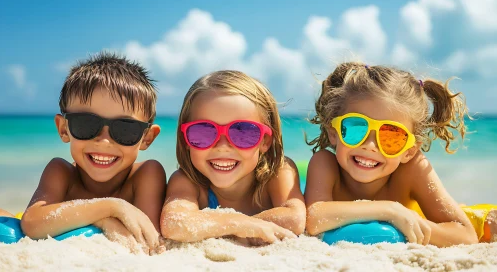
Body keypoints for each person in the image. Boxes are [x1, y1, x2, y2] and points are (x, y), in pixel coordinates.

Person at [305, 62, 495, 247]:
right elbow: (314, 217)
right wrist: (390, 210)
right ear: (334, 132)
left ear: (409, 151)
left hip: (419, 216)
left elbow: (466, 234)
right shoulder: (325, 163)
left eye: (391, 136)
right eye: (356, 128)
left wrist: (408, 222)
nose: (370, 146)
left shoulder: (412, 168)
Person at [19, 52, 166, 254]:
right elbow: (32, 222)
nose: (104, 141)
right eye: (86, 124)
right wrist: (109, 209)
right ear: (63, 129)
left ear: (147, 137)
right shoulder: (61, 172)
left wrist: (98, 214)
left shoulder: (146, 174)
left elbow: (147, 239)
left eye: (125, 128)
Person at [161, 70, 305, 245]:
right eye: (204, 132)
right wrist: (241, 225)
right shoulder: (188, 182)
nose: (222, 146)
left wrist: (226, 226)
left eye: (243, 132)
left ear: (265, 141)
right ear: (186, 139)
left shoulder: (279, 172)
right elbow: (174, 223)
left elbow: (295, 218)